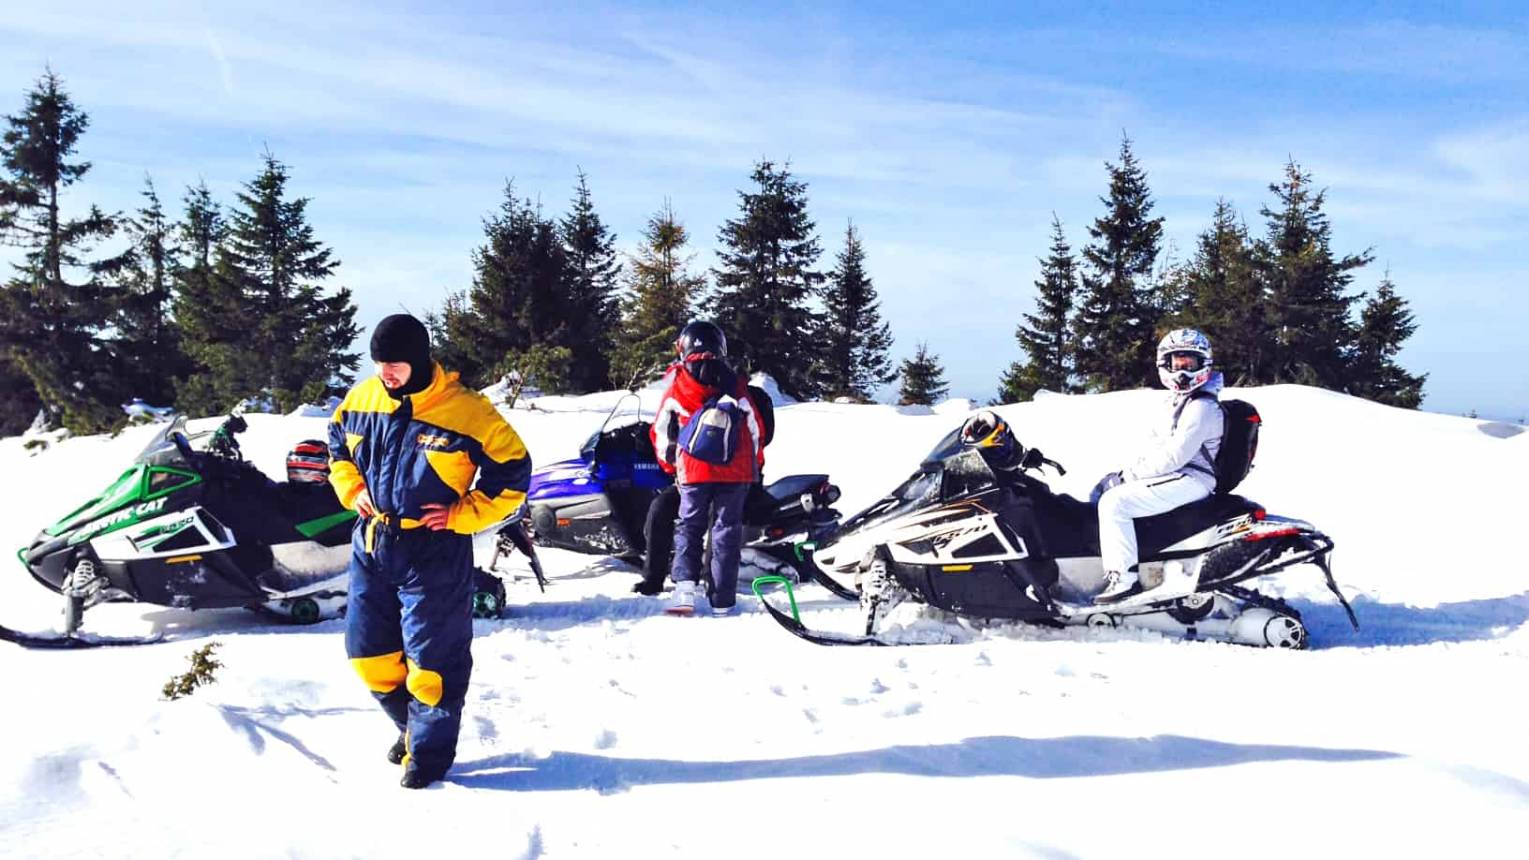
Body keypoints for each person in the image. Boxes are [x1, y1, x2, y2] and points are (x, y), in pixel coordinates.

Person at [328, 314, 531, 788]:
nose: (385, 374)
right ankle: (412, 728)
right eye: (379, 364)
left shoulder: (468, 411)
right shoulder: (363, 398)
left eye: (394, 364)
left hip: (433, 550)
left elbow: (515, 473)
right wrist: (350, 486)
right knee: (367, 655)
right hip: (373, 541)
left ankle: (430, 756)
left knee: (433, 664)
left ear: (417, 361)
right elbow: (336, 446)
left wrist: (464, 514)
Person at [1093, 328, 1224, 604]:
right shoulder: (1179, 402)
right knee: (1114, 496)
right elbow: (1157, 449)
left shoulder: (1201, 407)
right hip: (1180, 475)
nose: (1183, 371)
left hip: (1192, 479)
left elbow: (1175, 456)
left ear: (1204, 364)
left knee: (1115, 503)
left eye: (1190, 363)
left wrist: (1127, 479)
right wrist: (1124, 474)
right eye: (1177, 363)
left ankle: (1124, 580)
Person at [650, 321, 767, 616]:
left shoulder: (679, 383)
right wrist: (754, 465)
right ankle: (723, 600)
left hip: (694, 469)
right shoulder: (736, 382)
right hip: (736, 470)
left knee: (689, 528)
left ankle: (684, 593)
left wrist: (670, 466)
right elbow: (755, 428)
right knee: (726, 532)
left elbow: (660, 431)